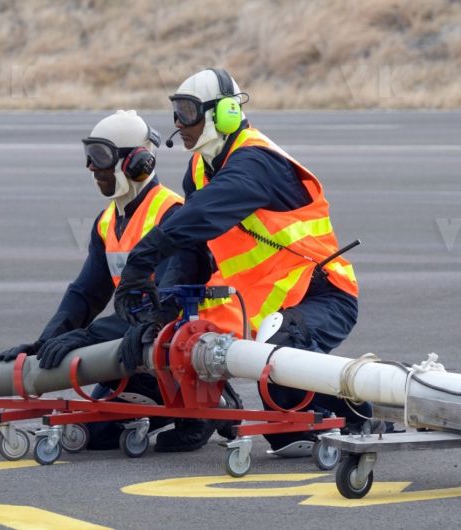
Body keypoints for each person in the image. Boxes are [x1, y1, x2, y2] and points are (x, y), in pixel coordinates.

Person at [114, 68, 370, 455]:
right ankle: (209, 414)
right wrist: (164, 306)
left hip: (322, 294)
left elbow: (200, 217)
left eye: (189, 112)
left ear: (226, 113)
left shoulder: (255, 161)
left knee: (279, 361)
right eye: (176, 113)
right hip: (263, 302)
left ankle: (364, 415)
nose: (179, 124)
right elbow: (193, 249)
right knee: (177, 343)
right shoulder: (199, 169)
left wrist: (140, 260)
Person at [0, 109, 239, 451]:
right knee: (93, 435)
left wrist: (86, 337)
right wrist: (45, 342)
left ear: (137, 163)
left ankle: (206, 407)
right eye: (89, 155)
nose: (91, 167)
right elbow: (85, 293)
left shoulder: (173, 216)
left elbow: (165, 305)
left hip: (190, 347)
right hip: (141, 341)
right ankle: (168, 406)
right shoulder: (108, 221)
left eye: (101, 156)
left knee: (108, 406)